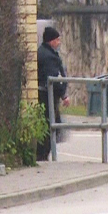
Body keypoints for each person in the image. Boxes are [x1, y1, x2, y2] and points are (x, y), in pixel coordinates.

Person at [37, 26, 70, 162]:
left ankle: (43, 154)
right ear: (51, 41)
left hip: (47, 95)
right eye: (57, 40)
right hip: (47, 96)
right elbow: (54, 78)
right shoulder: (49, 57)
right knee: (50, 125)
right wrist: (63, 94)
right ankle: (43, 155)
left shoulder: (44, 52)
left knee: (52, 124)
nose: (59, 43)